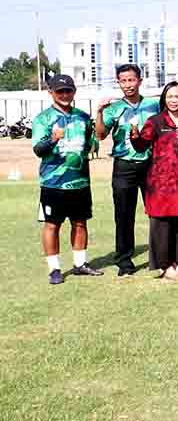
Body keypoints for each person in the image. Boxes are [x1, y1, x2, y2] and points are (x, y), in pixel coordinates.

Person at [33, 74, 103, 284]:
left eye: (68, 91)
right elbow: (38, 149)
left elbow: (92, 144)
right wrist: (53, 139)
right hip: (53, 183)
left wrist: (93, 145)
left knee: (80, 223)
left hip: (80, 181)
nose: (64, 94)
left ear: (74, 92)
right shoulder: (43, 119)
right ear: (51, 93)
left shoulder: (82, 117)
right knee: (52, 225)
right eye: (59, 91)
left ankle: (80, 264)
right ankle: (54, 269)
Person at [94, 63, 160, 276]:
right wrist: (100, 112)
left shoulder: (153, 105)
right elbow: (101, 135)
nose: (128, 84)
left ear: (140, 80)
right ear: (119, 83)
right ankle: (124, 262)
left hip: (151, 165)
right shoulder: (114, 108)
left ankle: (161, 256)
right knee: (124, 215)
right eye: (123, 81)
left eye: (132, 80)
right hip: (124, 166)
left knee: (158, 212)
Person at [129, 81, 178, 281]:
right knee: (161, 224)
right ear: (164, 99)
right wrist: (134, 132)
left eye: (177, 96)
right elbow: (141, 145)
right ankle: (164, 265)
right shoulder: (155, 121)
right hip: (162, 182)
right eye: (170, 96)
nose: (173, 100)